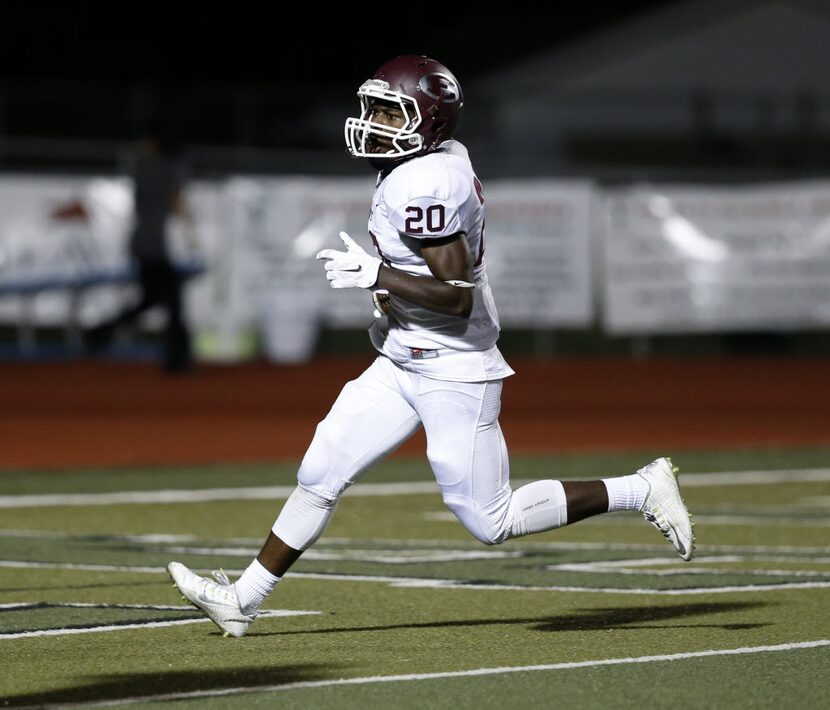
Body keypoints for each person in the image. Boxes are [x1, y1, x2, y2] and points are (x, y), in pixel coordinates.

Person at [168, 55, 695, 638]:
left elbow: (456, 296)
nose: (372, 121)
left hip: (454, 366)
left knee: (490, 521)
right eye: (372, 107)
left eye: (389, 112)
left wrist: (378, 277)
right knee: (321, 469)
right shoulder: (426, 164)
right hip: (402, 354)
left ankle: (640, 489)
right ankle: (243, 599)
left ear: (431, 123)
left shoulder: (427, 181)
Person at [83, 122, 198, 373]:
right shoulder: (164, 166)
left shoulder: (141, 167)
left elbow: (142, 205)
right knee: (170, 299)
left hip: (143, 240)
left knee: (155, 298)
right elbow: (175, 200)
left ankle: (101, 332)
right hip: (155, 243)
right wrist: (189, 234)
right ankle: (176, 358)